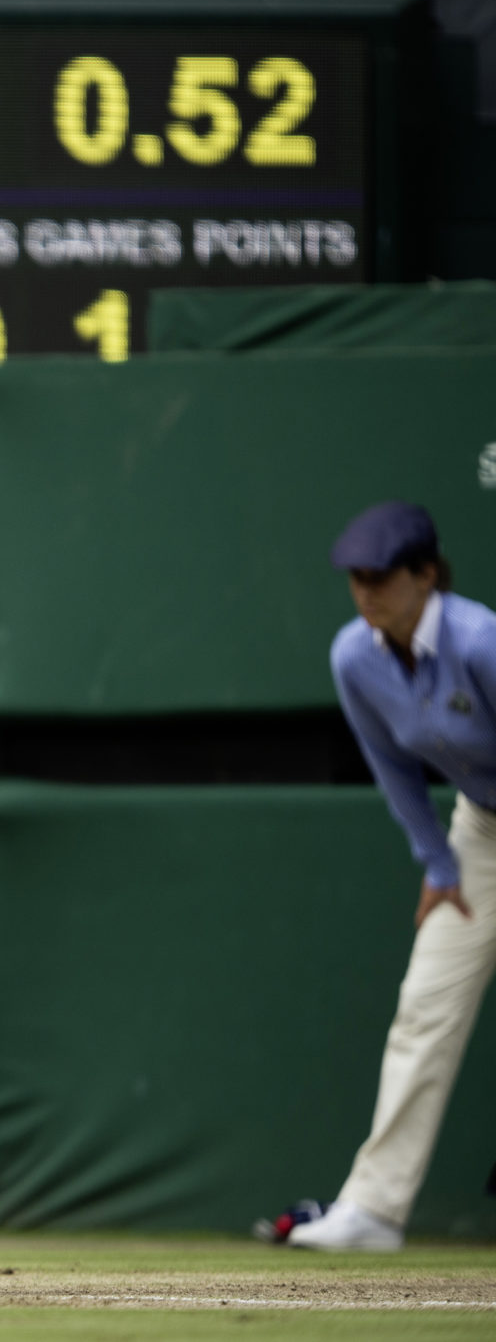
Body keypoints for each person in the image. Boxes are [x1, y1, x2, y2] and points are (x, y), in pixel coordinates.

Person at [284, 502, 496, 1252]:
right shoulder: (355, 657)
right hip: (483, 832)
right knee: (424, 1006)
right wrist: (438, 863)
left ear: (426, 575)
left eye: (381, 576)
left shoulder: (482, 640)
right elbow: (393, 766)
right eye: (356, 578)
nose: (367, 591)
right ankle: (372, 1210)